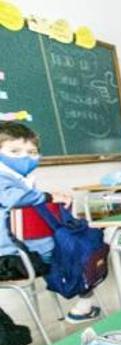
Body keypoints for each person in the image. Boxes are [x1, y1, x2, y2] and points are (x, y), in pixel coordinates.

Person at [0, 122, 102, 323]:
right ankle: (83, 302)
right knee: (78, 250)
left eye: (32, 152)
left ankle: (74, 292)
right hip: (10, 259)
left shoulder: (20, 179)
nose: (25, 157)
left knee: (65, 247)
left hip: (22, 253)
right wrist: (47, 197)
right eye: (14, 151)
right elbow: (11, 197)